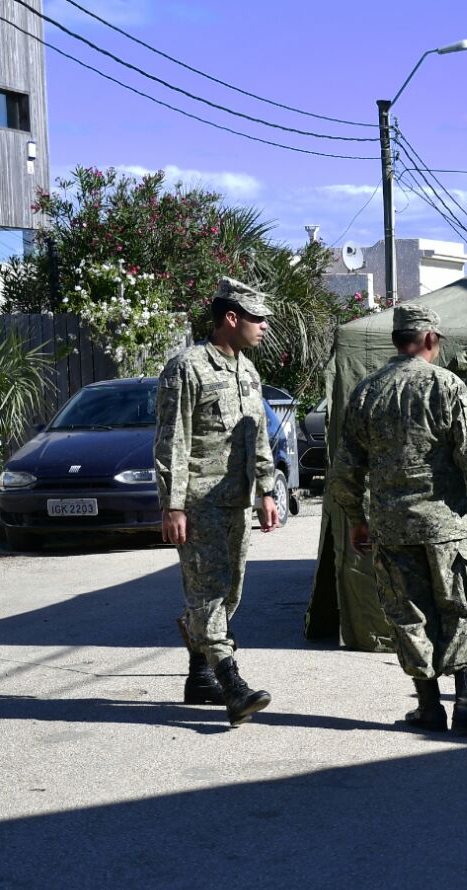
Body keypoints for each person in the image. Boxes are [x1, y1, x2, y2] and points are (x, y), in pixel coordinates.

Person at [330, 303, 467, 734]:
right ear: (430, 339)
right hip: (444, 526)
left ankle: (429, 707)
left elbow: (344, 468)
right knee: (463, 608)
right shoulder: (445, 385)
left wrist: (357, 517)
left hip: (391, 528)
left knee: (409, 614)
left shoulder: (367, 391)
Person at [154, 276, 281, 727]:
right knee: (208, 591)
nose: (264, 326)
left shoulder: (247, 370)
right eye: (257, 318)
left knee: (229, 592)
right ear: (232, 318)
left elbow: (258, 436)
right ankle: (232, 685)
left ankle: (199, 676)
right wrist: (173, 505)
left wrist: (267, 490)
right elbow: (173, 440)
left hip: (238, 502)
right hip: (199, 503)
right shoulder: (187, 367)